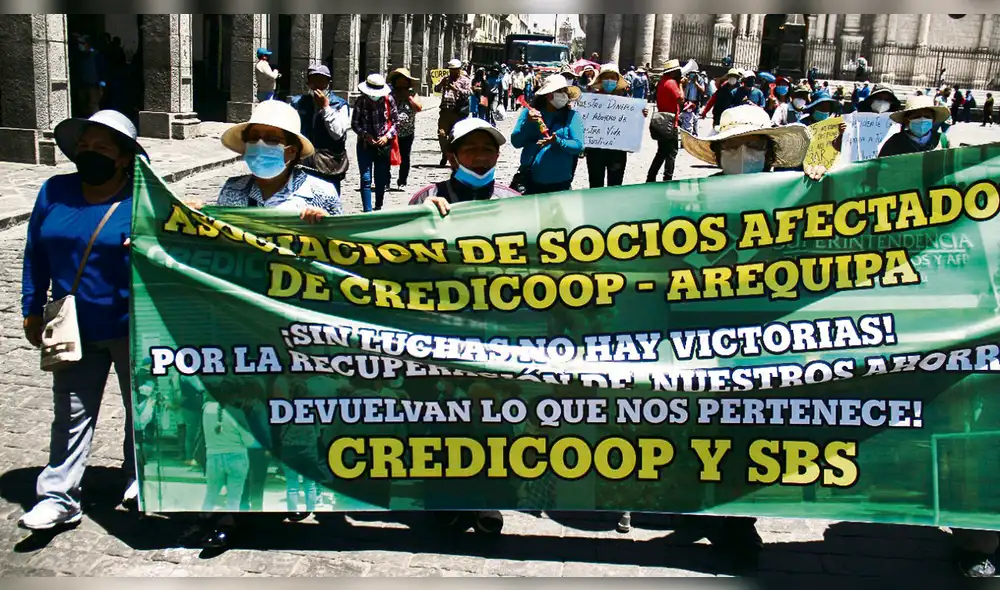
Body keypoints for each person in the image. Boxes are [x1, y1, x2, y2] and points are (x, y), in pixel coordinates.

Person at [676, 104, 812, 567]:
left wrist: (823, 185)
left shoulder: (795, 193)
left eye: (754, 145)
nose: (743, 154)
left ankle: (738, 523)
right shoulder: (692, 196)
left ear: (771, 152)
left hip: (763, 335)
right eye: (732, 147)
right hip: (701, 331)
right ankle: (694, 503)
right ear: (717, 155)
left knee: (749, 428)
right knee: (699, 426)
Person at [19, 110, 144, 530]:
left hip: (132, 325)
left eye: (102, 148)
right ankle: (59, 495)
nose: (90, 153)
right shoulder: (55, 190)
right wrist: (31, 306)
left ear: (125, 157)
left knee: (140, 409)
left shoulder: (143, 197)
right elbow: (35, 250)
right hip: (71, 325)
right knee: (71, 412)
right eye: (85, 147)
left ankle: (139, 476)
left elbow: (176, 246)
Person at [216, 100, 341, 219]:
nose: (260, 145)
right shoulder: (232, 189)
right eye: (253, 137)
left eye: (272, 139)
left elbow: (341, 238)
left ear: (292, 151)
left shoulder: (321, 194)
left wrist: (325, 225)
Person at [410, 117, 518, 215]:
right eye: (471, 150)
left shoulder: (513, 202)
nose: (481, 157)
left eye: (488, 150)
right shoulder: (426, 198)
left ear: (497, 156)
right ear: (452, 159)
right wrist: (421, 216)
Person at [510, 74, 584, 195]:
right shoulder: (528, 114)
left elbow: (578, 145)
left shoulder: (572, 116)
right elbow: (516, 142)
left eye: (565, 91)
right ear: (548, 95)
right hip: (531, 182)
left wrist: (558, 142)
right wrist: (527, 123)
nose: (564, 95)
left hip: (561, 183)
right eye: (559, 91)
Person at [290, 64, 350, 195]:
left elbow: (338, 133)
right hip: (303, 161)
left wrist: (326, 108)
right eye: (314, 80)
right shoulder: (298, 103)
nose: (318, 85)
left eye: (322, 80)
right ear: (308, 82)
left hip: (329, 162)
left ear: (328, 83)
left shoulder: (339, 104)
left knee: (329, 199)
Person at [586, 64, 647, 188]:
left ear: (617, 80)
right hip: (595, 150)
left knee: (615, 186)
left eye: (612, 78)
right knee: (595, 185)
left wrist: (639, 114)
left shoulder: (626, 101)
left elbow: (631, 123)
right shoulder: (590, 100)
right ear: (601, 80)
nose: (609, 81)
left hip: (617, 151)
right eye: (606, 78)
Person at [351, 73, 398, 212]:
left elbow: (396, 122)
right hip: (365, 145)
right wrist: (365, 136)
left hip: (383, 145)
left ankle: (378, 205)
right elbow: (354, 123)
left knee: (381, 177)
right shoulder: (361, 101)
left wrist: (387, 136)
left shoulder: (389, 100)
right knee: (365, 178)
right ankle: (367, 210)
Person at [878, 95, 952, 158]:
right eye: (917, 116)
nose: (922, 119)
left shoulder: (942, 140)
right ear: (907, 120)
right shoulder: (894, 142)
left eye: (927, 116)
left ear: (933, 119)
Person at [647, 59, 683, 183]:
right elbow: (680, 99)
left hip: (662, 121)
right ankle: (667, 178)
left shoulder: (662, 82)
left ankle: (651, 177)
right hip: (671, 122)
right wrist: (681, 85)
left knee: (661, 152)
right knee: (672, 153)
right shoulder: (672, 83)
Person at [388, 68, 423, 190]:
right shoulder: (390, 94)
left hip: (407, 132)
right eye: (399, 80)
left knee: (405, 156)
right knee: (387, 155)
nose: (402, 83)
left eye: (404, 80)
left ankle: (402, 179)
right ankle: (386, 179)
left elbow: (418, 108)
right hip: (391, 132)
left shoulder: (413, 94)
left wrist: (409, 98)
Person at [435, 59, 473, 166]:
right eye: (451, 70)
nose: (452, 72)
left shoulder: (465, 80)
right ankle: (445, 153)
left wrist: (456, 89)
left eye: (455, 70)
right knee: (442, 134)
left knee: (456, 135)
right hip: (445, 110)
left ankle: (455, 157)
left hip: (457, 111)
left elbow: (469, 92)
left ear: (459, 70)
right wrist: (441, 84)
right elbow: (436, 89)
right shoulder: (446, 79)